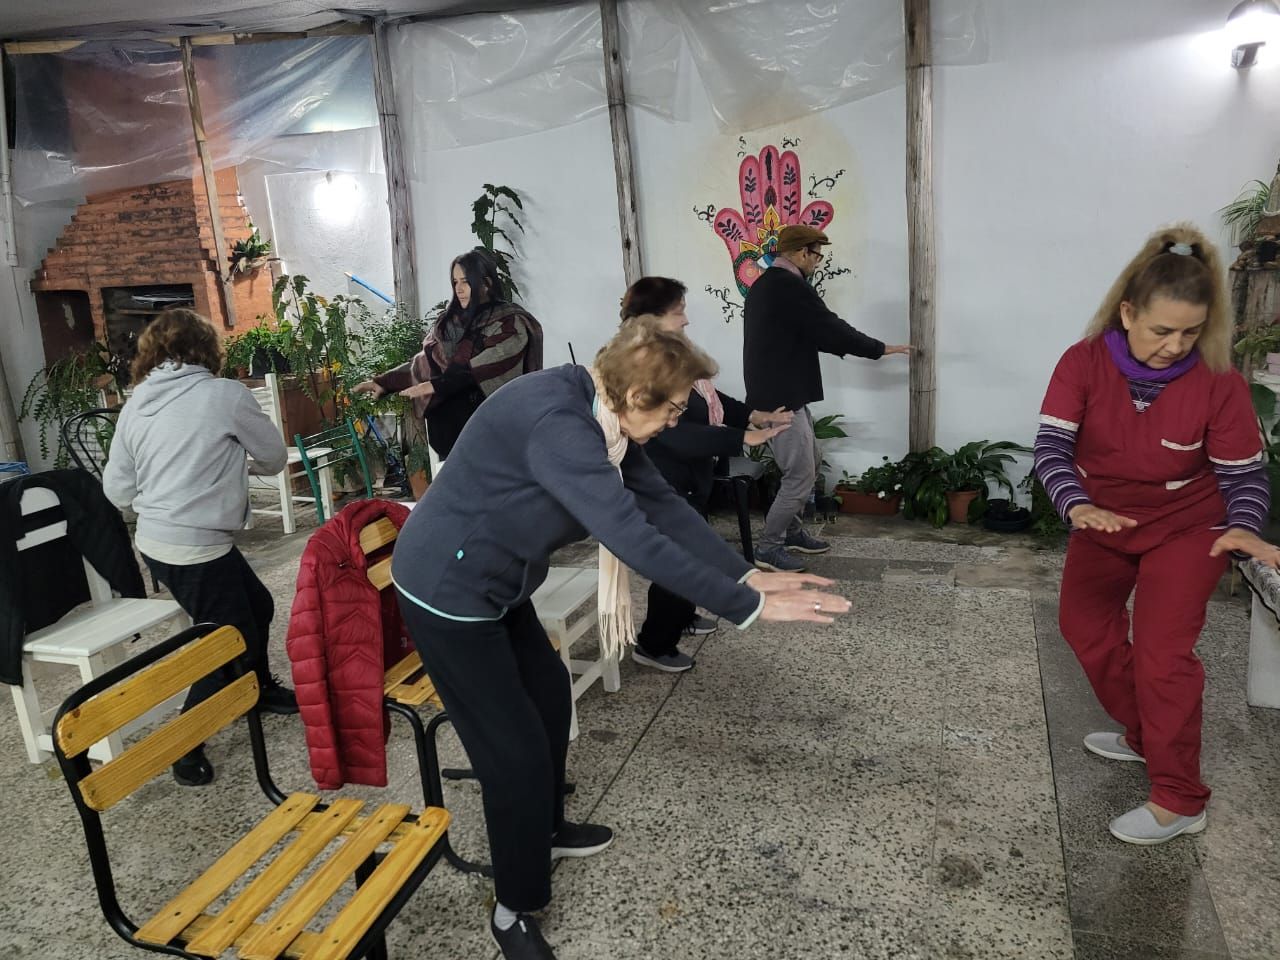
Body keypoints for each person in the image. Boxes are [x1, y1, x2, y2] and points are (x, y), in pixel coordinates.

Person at [391, 319, 851, 959]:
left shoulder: (601, 411)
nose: (675, 421)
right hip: (449, 592)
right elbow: (633, 537)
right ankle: (513, 908)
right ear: (636, 396)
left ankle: (545, 829)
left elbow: (661, 506)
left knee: (550, 700)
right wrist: (746, 607)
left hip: (498, 582)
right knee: (513, 754)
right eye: (674, 409)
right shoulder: (562, 427)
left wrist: (745, 575)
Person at [1034, 223, 1278, 845]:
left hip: (1190, 528)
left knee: (1162, 656)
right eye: (1162, 330)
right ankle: (1146, 733)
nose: (1176, 346)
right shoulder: (1083, 361)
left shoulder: (1218, 381)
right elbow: (1053, 448)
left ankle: (1179, 797)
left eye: (1190, 333)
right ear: (1128, 314)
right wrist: (1076, 504)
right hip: (1103, 518)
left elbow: (1243, 474)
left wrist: (1245, 527)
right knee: (1083, 628)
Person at [103, 308, 298, 787]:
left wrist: (177, 480)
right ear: (207, 349)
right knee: (227, 641)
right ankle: (184, 744)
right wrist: (228, 466)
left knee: (258, 603)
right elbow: (274, 458)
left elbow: (117, 490)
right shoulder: (224, 395)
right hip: (195, 544)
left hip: (158, 541)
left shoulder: (135, 404)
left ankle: (258, 689)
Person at [620, 276, 793, 672]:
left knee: (691, 551)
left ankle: (682, 615)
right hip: (664, 475)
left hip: (692, 473)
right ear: (651, 318)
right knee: (677, 558)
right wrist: (742, 437)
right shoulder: (642, 364)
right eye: (678, 312)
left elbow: (711, 400)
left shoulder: (675, 354)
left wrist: (753, 415)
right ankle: (654, 643)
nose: (685, 320)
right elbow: (674, 434)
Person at [742, 224, 912, 573]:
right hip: (779, 399)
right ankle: (769, 548)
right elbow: (829, 327)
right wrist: (879, 348)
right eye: (817, 255)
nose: (817, 262)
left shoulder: (769, 284)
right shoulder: (787, 285)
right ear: (802, 252)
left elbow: (815, 332)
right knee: (800, 474)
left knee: (810, 463)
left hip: (781, 392)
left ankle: (791, 532)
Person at [354, 248, 543, 460]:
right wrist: (384, 382)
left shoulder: (510, 322)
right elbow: (423, 363)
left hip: (491, 435)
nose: (459, 289)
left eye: (466, 281)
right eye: (455, 282)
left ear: (486, 283)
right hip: (448, 440)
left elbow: (490, 365)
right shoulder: (448, 323)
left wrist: (437, 385)